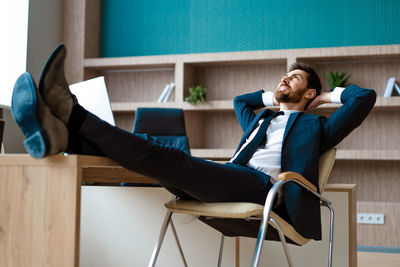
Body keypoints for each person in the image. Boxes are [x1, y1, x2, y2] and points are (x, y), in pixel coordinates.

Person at [11, 44, 376, 241]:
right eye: (285, 74)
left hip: (262, 190)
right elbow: (241, 101)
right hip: (234, 179)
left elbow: (365, 99)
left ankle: (70, 115)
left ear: (309, 92)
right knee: (148, 160)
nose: (285, 79)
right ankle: (63, 136)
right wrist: (278, 94)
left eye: (294, 78)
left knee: (166, 157)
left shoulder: (316, 128)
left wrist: (326, 97)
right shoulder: (261, 117)